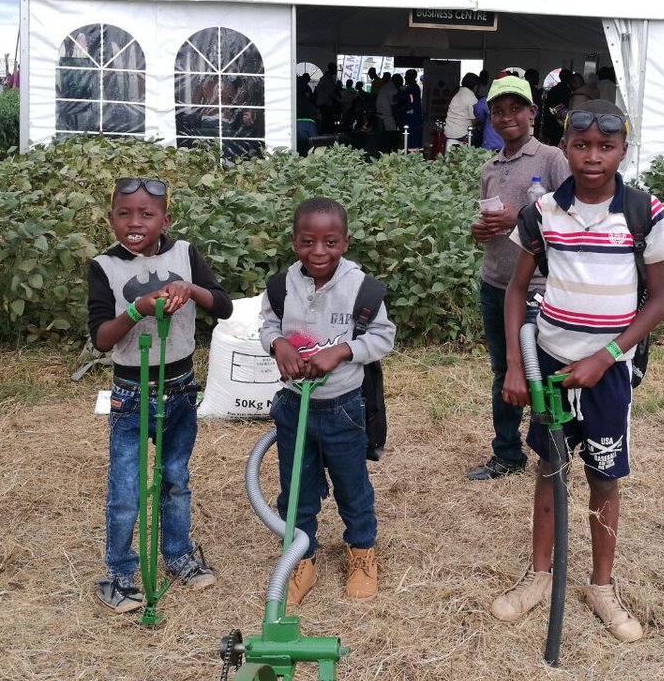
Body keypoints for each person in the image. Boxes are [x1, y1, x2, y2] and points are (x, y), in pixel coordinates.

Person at [492, 101, 664, 642]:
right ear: (565, 147)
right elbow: (515, 289)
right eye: (581, 146)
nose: (593, 157)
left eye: (606, 146)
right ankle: (539, 575)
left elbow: (660, 299)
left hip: (609, 373)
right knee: (549, 470)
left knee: (604, 475)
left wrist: (607, 356)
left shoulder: (644, 211)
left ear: (624, 149)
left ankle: (601, 585)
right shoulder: (543, 211)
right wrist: (515, 365)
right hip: (549, 365)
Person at [86, 177, 235, 614]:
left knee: (174, 480)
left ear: (165, 220)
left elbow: (222, 306)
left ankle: (178, 556)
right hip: (131, 392)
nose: (134, 222)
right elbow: (100, 338)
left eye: (146, 214)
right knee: (126, 490)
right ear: (111, 218)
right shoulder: (103, 267)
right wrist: (136, 309)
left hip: (181, 389)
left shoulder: (185, 254)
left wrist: (190, 290)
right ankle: (119, 572)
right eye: (123, 213)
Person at [260, 198, 396, 605]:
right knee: (294, 489)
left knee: (352, 487)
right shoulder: (280, 286)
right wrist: (278, 343)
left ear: (345, 241)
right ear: (293, 241)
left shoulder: (362, 289)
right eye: (308, 241)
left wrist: (341, 352)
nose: (319, 251)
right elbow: (267, 325)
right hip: (293, 406)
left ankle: (361, 552)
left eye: (330, 242)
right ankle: (301, 557)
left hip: (343, 408)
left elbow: (382, 336)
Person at [467, 76, 569, 482]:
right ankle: (507, 453)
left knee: (539, 370)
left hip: (540, 288)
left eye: (515, 108)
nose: (506, 117)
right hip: (495, 283)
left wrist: (521, 219)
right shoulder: (489, 167)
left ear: (532, 112)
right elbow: (491, 224)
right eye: (498, 110)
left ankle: (550, 450)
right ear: (490, 118)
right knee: (502, 371)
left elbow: (573, 218)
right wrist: (481, 230)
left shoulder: (551, 159)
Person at [443, 72, 480, 151]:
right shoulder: (471, 97)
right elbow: (474, 120)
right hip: (462, 135)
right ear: (475, 86)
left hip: (449, 132)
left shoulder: (457, 93)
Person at [541, 69, 573, 144]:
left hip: (554, 122)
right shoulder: (569, 91)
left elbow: (549, 106)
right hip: (561, 123)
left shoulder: (554, 90)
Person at [398, 68, 424, 149]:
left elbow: (410, 101)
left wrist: (400, 95)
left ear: (411, 77)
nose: (405, 78)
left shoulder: (412, 88)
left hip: (412, 119)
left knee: (412, 141)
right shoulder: (412, 87)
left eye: (406, 76)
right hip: (413, 117)